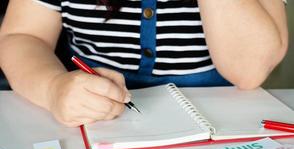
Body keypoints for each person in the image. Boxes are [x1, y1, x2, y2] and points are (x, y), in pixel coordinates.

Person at [0, 0, 288, 127]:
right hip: (93, 119)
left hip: (218, 129)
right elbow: (20, 36)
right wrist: (53, 87)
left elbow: (249, 71)